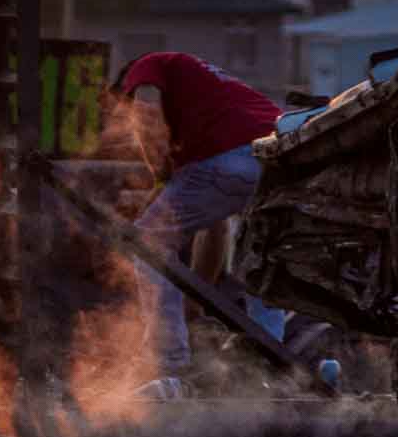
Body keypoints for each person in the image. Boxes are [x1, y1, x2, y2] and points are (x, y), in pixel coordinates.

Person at [107, 51, 288, 398]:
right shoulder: (208, 101)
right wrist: (194, 299)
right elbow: (215, 229)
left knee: (147, 242)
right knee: (261, 260)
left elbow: (146, 114)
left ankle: (167, 364)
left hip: (230, 160)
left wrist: (156, 169)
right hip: (278, 160)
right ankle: (271, 370)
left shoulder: (147, 66)